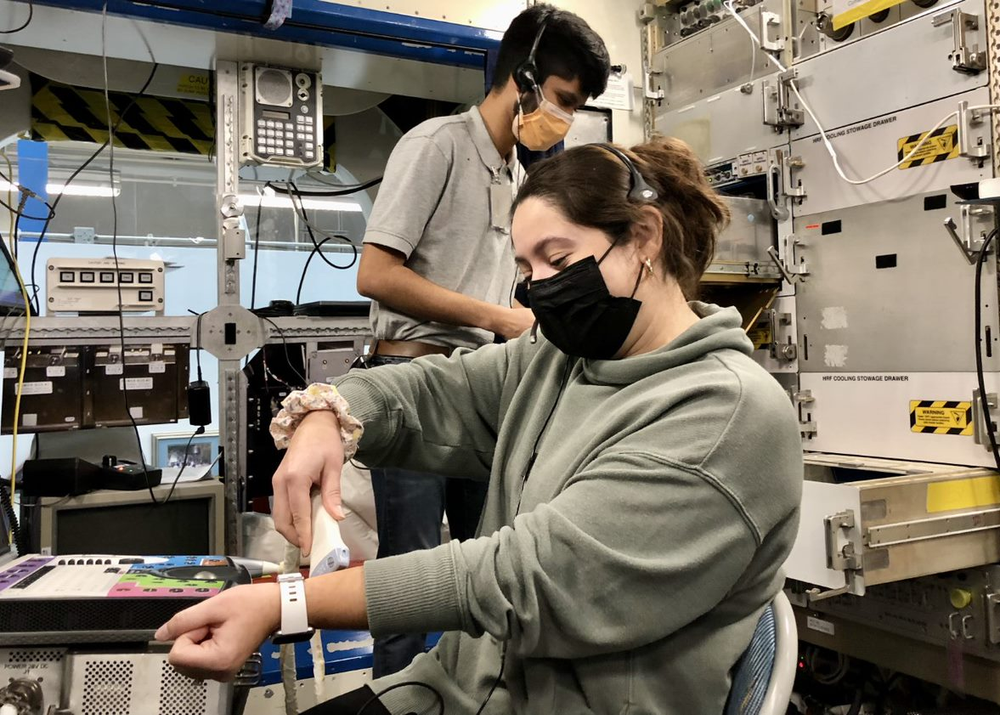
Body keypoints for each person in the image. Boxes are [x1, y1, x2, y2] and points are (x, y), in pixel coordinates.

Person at [157, 137, 804, 715]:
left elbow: (520, 578)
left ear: (645, 238)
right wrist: (328, 411)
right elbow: (437, 387)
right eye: (526, 270)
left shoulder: (725, 415)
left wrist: (285, 603)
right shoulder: (563, 358)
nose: (537, 291)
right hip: (453, 689)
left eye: (557, 258)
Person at [351, 4, 610, 677]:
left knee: (486, 575)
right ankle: (398, 695)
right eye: (562, 100)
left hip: (485, 395)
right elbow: (376, 273)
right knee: (409, 585)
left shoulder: (516, 176)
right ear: (521, 79)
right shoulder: (437, 145)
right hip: (419, 386)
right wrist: (497, 319)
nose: (563, 120)